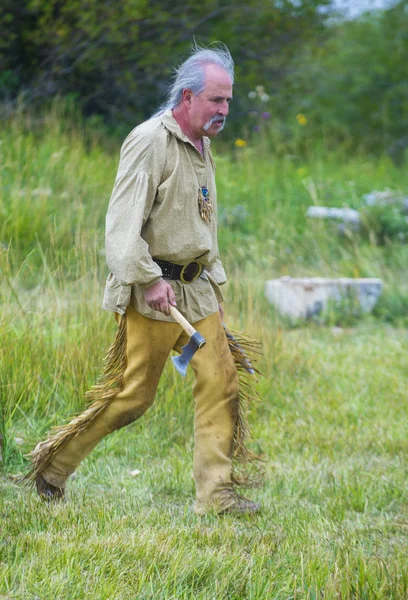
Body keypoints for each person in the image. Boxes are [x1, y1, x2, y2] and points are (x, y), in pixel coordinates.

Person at [28, 44, 260, 515]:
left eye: (229, 101)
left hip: (194, 291)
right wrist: (147, 279)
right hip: (156, 294)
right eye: (217, 100)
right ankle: (52, 467)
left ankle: (215, 496)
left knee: (222, 382)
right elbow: (120, 227)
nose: (224, 111)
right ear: (188, 96)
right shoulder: (150, 140)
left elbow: (199, 220)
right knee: (134, 397)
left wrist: (212, 282)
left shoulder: (202, 143)